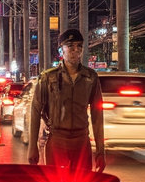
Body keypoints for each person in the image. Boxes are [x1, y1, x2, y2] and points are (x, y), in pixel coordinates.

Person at [26, 29, 106, 172]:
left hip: (81, 142)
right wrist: (33, 147)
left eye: (79, 46)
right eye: (70, 46)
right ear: (61, 50)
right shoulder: (48, 78)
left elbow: (97, 115)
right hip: (57, 142)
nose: (75, 50)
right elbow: (35, 110)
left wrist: (100, 151)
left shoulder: (90, 77)